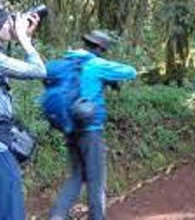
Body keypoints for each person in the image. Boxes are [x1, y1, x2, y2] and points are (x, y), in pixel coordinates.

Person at [0, 0, 47, 219]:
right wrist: (24, 39)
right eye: (7, 22)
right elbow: (39, 71)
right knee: (9, 214)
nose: (12, 25)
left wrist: (24, 36)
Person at [50, 30, 137, 220]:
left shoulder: (68, 62)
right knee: (95, 180)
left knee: (75, 176)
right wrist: (109, 76)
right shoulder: (97, 64)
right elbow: (131, 72)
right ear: (99, 48)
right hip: (90, 131)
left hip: (69, 128)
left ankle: (56, 216)